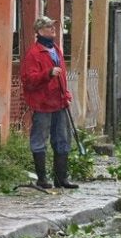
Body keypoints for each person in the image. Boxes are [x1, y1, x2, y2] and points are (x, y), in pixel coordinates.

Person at [20, 16, 79, 189]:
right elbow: (28, 80)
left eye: (53, 26)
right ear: (39, 31)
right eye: (48, 27)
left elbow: (62, 77)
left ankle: (61, 179)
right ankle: (42, 179)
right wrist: (47, 74)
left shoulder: (56, 50)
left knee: (62, 139)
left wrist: (66, 94)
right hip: (42, 104)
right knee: (40, 140)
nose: (53, 29)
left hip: (59, 102)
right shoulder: (34, 54)